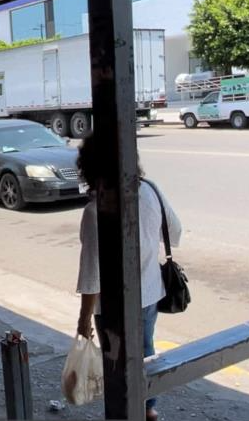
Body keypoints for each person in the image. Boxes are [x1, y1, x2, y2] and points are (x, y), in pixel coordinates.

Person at [75, 134, 181, 421]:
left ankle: (126, 412)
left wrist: (84, 321)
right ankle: (148, 408)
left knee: (116, 364)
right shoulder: (149, 190)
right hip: (149, 293)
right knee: (145, 350)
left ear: (89, 168)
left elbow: (91, 272)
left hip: (112, 307)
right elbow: (176, 232)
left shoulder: (95, 211)